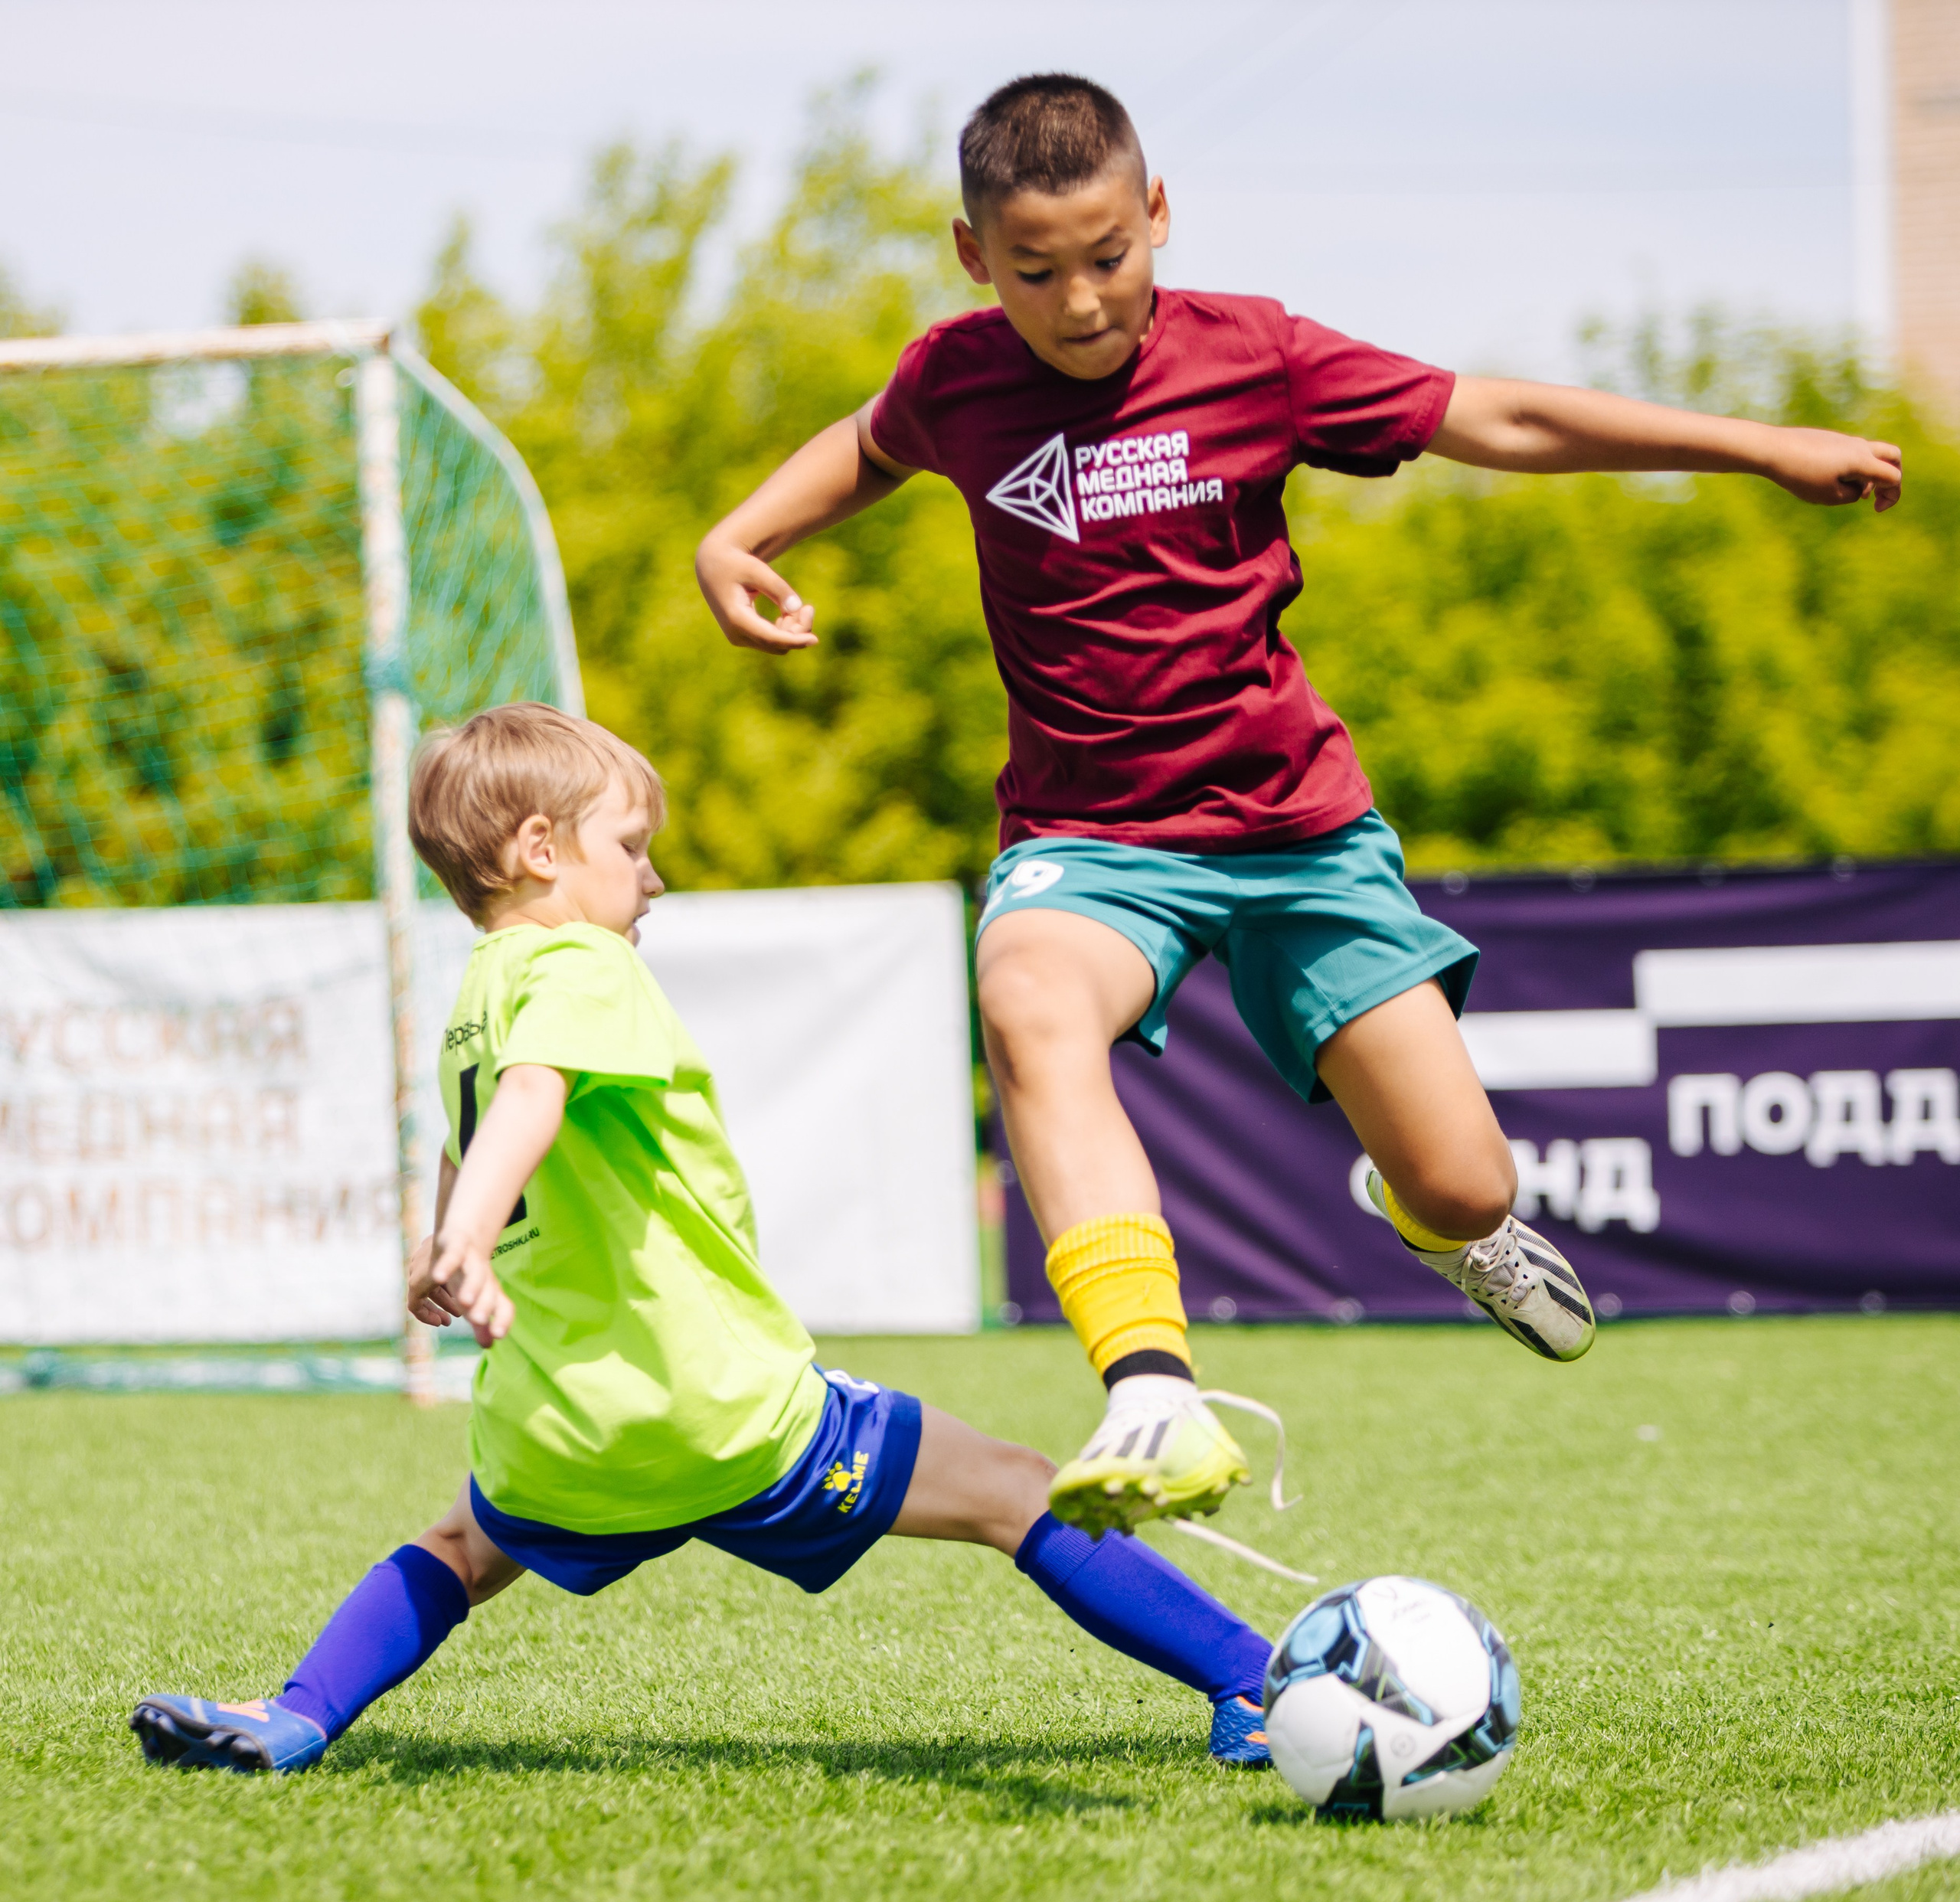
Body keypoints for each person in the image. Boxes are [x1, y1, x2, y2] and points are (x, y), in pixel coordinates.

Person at [692, 74, 1905, 1540]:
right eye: (1034, 271)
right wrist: (739, 534)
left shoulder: (1252, 355)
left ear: (1157, 216)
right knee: (1024, 995)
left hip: (1296, 835)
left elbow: (1497, 416)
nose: (1079, 301)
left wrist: (1758, 447)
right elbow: (872, 444)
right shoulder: (958, 376)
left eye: (1107, 258)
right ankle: (1150, 1386)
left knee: (1466, 1186)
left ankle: (1430, 1221)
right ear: (971, 256)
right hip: (1093, 843)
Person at [129, 702, 1279, 1776]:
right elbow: (534, 1095)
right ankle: (1251, 1682)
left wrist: (450, 1236)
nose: (654, 877)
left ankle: (294, 1718)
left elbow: (478, 1123)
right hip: (721, 1408)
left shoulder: (480, 990)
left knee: (460, 1550)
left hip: (560, 1430)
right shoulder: (584, 964)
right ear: (540, 851)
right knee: (1018, 1493)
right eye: (630, 847)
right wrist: (468, 1234)